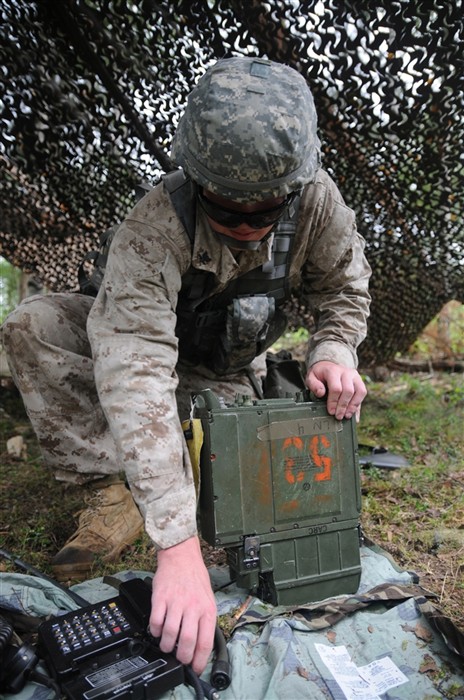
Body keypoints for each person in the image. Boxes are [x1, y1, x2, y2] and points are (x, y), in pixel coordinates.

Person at [1, 57, 371, 674]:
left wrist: (333, 350)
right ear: (196, 182)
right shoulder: (156, 221)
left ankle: (171, 461)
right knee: (32, 325)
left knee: (239, 471)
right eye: (229, 212)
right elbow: (134, 362)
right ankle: (107, 486)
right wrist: (175, 544)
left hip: (219, 374)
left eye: (265, 213)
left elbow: (345, 293)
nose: (248, 231)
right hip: (142, 352)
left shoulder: (318, 205)